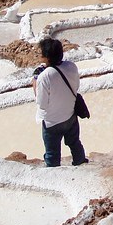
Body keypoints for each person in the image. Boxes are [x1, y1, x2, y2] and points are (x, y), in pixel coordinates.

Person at [33, 37, 87, 167]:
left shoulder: (44, 76)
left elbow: (42, 103)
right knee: (75, 143)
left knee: (52, 152)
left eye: (41, 53)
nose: (39, 55)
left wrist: (35, 83)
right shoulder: (71, 66)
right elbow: (76, 87)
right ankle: (81, 165)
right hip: (70, 116)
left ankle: (54, 176)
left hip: (52, 122)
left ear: (47, 57)